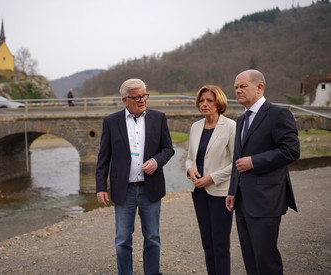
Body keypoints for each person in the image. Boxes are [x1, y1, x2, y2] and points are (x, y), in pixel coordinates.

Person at [96, 78, 174, 275]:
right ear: (125, 100)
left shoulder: (159, 118)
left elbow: (168, 149)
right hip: (124, 190)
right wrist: (100, 187)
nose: (142, 100)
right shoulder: (111, 122)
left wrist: (156, 162)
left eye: (144, 95)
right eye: (137, 97)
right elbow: (103, 158)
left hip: (151, 188)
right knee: (122, 239)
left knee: (153, 237)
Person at [225, 69, 300, 275]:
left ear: (260, 87)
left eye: (243, 86)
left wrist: (254, 162)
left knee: (266, 259)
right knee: (250, 258)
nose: (238, 91)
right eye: (236, 88)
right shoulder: (241, 120)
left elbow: (291, 151)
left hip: (266, 199)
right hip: (242, 199)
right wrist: (232, 190)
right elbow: (237, 159)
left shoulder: (279, 114)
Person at [185, 85, 236, 275]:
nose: (204, 104)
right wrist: (190, 169)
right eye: (201, 100)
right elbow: (190, 156)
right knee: (207, 242)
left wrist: (211, 178)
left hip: (220, 192)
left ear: (219, 103)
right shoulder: (195, 126)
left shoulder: (230, 126)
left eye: (209, 100)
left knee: (220, 244)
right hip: (198, 192)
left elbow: (236, 162)